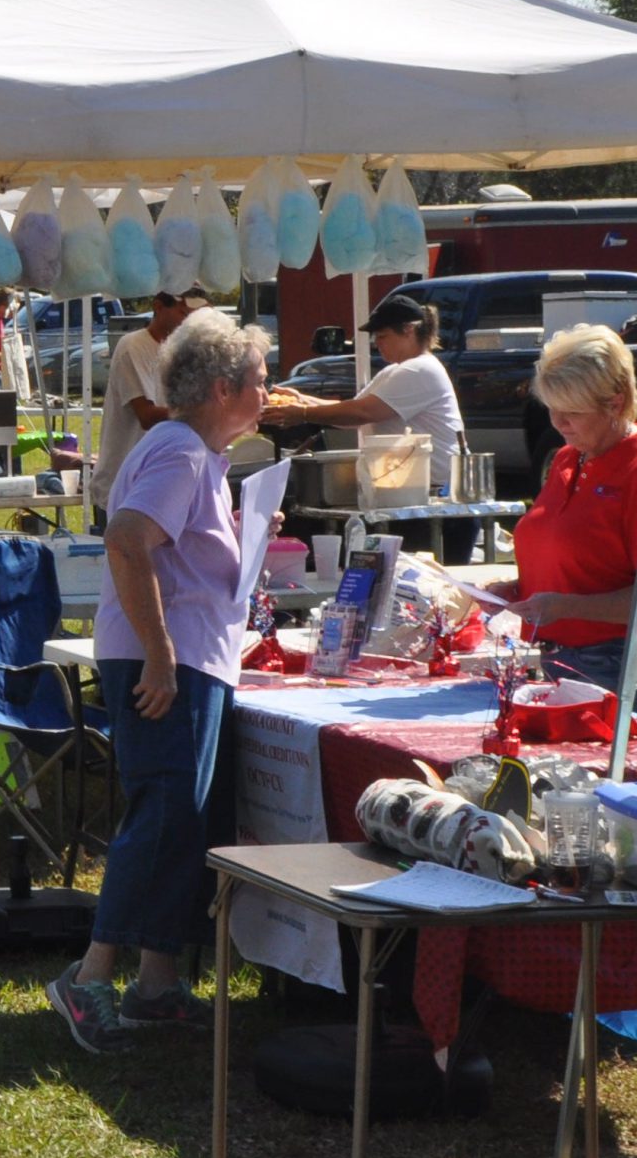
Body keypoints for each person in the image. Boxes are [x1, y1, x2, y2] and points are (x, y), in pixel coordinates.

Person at [47, 307, 272, 1054]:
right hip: (166, 658)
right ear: (220, 387)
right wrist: (159, 652)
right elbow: (126, 542)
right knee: (164, 815)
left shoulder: (192, 452)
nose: (268, 394)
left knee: (185, 820)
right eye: (259, 381)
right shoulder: (179, 452)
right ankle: (89, 976)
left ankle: (156, 983)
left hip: (187, 654)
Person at [496, 324, 637, 719]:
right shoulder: (570, 457)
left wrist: (563, 606)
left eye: (573, 413)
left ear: (615, 403)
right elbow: (578, 559)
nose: (558, 423)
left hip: (624, 665)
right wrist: (518, 590)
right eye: (551, 409)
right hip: (565, 660)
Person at [263, 293, 472, 561]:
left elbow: (362, 413)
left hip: (433, 500)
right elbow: (352, 408)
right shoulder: (395, 371)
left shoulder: (420, 369)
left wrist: (303, 413)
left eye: (383, 337)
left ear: (408, 331)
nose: (377, 344)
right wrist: (301, 399)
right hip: (405, 495)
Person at [91, 289, 204, 528]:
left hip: (163, 481)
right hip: (125, 484)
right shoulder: (133, 346)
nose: (188, 322)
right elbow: (147, 415)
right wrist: (203, 412)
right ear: (158, 307)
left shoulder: (185, 352)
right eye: (182, 313)